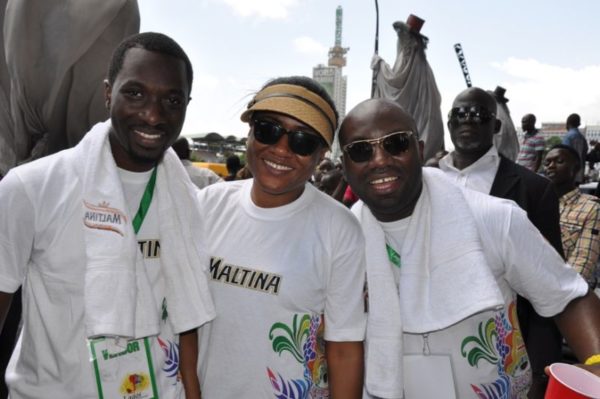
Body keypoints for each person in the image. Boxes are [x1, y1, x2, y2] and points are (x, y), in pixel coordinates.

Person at [0, 32, 216, 399]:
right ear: (107, 93)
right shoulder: (31, 188)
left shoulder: (191, 202)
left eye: (172, 100)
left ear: (186, 105)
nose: (152, 114)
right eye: (135, 93)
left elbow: (186, 310)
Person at [339, 98, 600, 399]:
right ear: (345, 166)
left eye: (396, 144)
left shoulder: (496, 218)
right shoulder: (341, 241)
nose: (380, 160)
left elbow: (568, 296)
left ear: (419, 151)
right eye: (361, 150)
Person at [180, 76, 366, 399]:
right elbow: (186, 324)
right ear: (249, 131)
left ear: (321, 153)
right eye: (268, 130)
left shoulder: (340, 229)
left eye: (303, 141)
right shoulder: (208, 205)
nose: (281, 149)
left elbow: (345, 351)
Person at [438, 87, 565, 397]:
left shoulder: (534, 190)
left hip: (501, 351)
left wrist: (540, 371)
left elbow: (549, 286)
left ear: (496, 126)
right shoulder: (425, 179)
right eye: (460, 114)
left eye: (479, 115)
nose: (468, 121)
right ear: (449, 123)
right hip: (429, 348)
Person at [544, 144, 600, 286]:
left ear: (575, 169)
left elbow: (583, 260)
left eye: (559, 161)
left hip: (566, 291)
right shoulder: (537, 202)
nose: (551, 166)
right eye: (547, 162)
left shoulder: (591, 208)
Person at [563, 113, 589, 184]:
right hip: (579, 173)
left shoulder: (568, 136)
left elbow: (563, 154)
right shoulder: (583, 138)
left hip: (568, 172)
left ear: (568, 123)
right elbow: (585, 154)